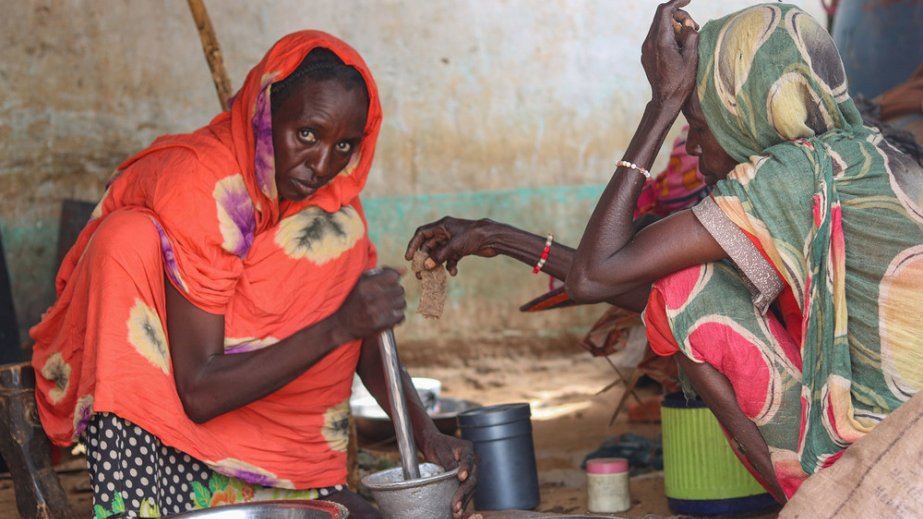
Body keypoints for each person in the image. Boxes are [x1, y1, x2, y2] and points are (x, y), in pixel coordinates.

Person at [406, 0, 923, 502]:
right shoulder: (870, 155)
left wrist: (661, 106)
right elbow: (626, 280)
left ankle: (817, 502)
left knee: (687, 288)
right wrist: (495, 236)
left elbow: (598, 277)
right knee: (687, 279)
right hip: (906, 440)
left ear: (745, 114)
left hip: (887, 466)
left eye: (697, 123)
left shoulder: (787, 177)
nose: (692, 145)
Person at [31, 31, 475, 518]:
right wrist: (338, 325)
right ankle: (136, 507)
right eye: (307, 134)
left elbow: (367, 343)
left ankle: (297, 486)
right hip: (168, 437)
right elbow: (199, 391)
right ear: (265, 112)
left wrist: (428, 435)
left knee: (335, 229)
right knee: (125, 237)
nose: (322, 165)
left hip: (269, 444)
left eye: (344, 145)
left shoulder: (327, 207)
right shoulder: (201, 184)